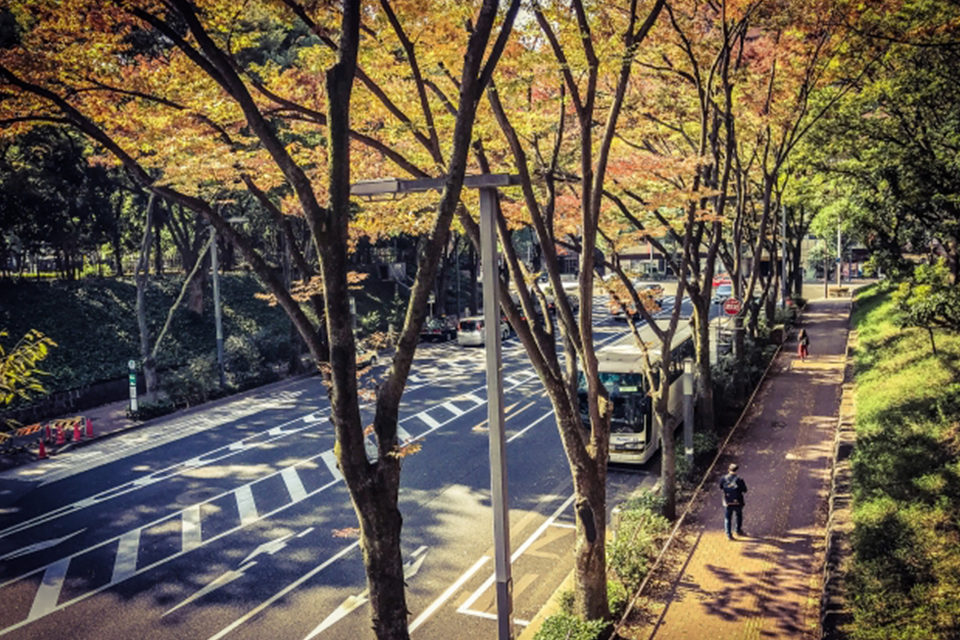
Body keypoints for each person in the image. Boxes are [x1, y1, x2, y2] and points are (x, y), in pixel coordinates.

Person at [719, 462, 748, 540]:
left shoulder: (723, 478)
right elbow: (745, 490)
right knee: (739, 515)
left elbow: (721, 487)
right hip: (738, 501)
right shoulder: (739, 479)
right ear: (736, 470)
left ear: (728, 469)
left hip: (727, 502)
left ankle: (729, 535)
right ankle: (738, 530)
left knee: (727, 517)